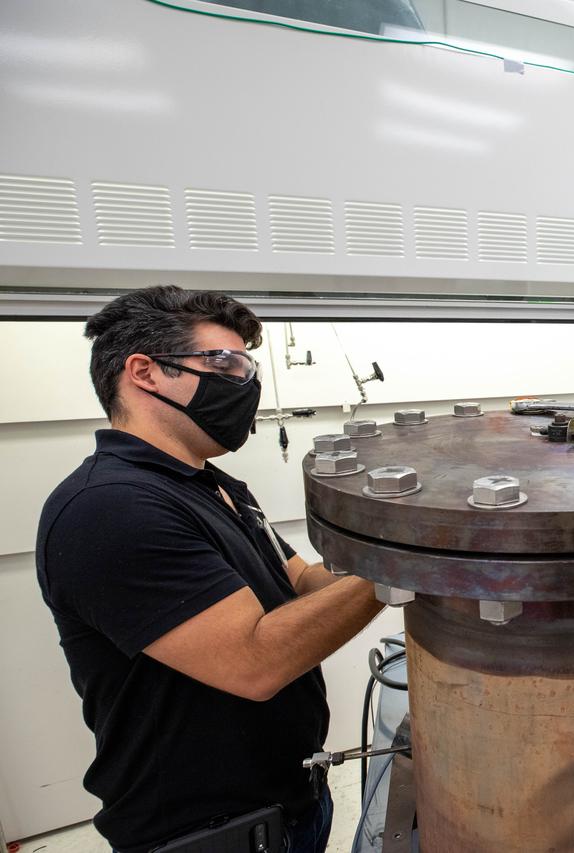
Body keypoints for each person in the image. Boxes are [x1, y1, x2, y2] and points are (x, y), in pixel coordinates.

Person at [36, 286, 386, 853]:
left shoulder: (213, 484)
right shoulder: (110, 508)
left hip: (290, 801)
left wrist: (390, 558)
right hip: (209, 832)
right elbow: (255, 662)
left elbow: (297, 581)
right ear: (145, 372)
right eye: (224, 363)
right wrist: (415, 562)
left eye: (247, 365)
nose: (245, 383)